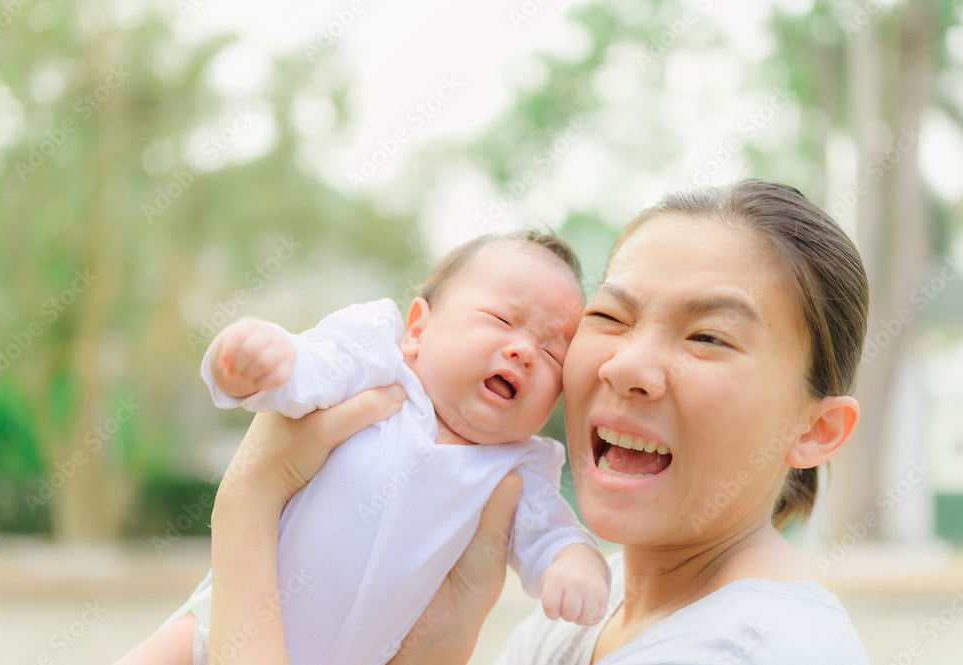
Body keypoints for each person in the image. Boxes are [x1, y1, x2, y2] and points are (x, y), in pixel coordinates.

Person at [120, 178, 871, 665]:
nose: (628, 366)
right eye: (611, 318)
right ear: (418, 326)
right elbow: (304, 364)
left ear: (818, 429)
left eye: (708, 336)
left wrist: (249, 504)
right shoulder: (579, 617)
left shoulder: (757, 648)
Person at [147, 232, 611, 665]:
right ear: (417, 329)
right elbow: (306, 370)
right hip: (214, 628)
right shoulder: (374, 362)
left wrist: (576, 563)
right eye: (502, 320)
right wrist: (259, 359)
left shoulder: (519, 467)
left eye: (552, 353)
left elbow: (554, 533)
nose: (524, 352)